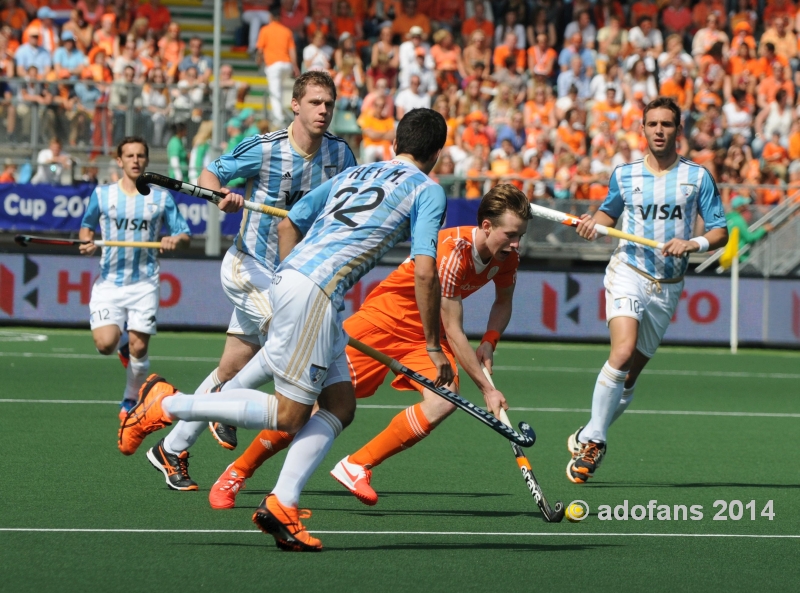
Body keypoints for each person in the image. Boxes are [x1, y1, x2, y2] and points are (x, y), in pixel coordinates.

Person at [118, 108, 451, 553]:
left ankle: (283, 504)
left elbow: (290, 221)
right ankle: (167, 404)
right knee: (291, 415)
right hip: (315, 289)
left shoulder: (362, 170)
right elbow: (425, 272)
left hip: (307, 285)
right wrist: (432, 345)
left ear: (395, 143)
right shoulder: (428, 191)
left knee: (340, 405)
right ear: (436, 154)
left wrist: (299, 278)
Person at [208, 185, 528, 509]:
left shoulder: (507, 257)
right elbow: (455, 330)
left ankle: (356, 465)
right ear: (486, 226)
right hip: (382, 324)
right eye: (511, 235)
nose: (516, 244)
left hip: (425, 338)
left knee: (443, 401)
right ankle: (237, 471)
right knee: (312, 408)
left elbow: (503, 301)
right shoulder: (451, 252)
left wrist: (489, 342)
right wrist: (487, 390)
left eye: (520, 236)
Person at [136, 71, 356, 492]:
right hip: (251, 265)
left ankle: (173, 446)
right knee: (288, 341)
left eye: (329, 103)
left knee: (231, 368)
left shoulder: (340, 155)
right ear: (295, 105)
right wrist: (222, 196)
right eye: (315, 102)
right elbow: (210, 173)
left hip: (293, 276)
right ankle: (219, 411)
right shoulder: (266, 148)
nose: (323, 110)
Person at [567, 97, 728, 484]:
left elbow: (720, 231)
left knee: (631, 375)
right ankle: (595, 442)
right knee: (621, 353)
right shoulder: (624, 174)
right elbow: (608, 212)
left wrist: (693, 244)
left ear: (678, 131)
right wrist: (594, 224)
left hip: (668, 285)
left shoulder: (697, 177)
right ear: (642, 129)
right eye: (652, 124)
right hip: (629, 270)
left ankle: (587, 432)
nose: (659, 130)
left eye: (666, 124)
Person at [79, 137, 190, 418]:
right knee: (105, 345)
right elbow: (86, 227)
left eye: (140, 155)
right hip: (109, 283)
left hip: (144, 283)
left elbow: (185, 235)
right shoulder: (103, 195)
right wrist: (87, 243)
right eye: (129, 156)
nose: (135, 160)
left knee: (140, 349)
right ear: (119, 161)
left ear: (147, 161)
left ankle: (130, 399)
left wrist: (175, 240)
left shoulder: (161, 198)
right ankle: (121, 346)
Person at [256, 6, 300, 127]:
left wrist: (258, 60)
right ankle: (280, 113)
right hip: (286, 65)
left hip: (273, 65)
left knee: (274, 92)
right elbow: (292, 51)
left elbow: (260, 49)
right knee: (279, 90)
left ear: (270, 17)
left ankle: (278, 118)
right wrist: (295, 66)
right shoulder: (286, 31)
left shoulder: (265, 30)